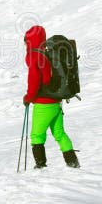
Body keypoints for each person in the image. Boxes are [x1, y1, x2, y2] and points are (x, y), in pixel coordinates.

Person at [23, 24, 80, 169]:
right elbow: (49, 79)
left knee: (37, 135)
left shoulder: (34, 56)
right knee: (60, 134)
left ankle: (40, 166)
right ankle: (73, 164)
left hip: (43, 104)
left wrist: (28, 98)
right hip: (56, 102)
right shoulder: (47, 53)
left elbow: (34, 81)